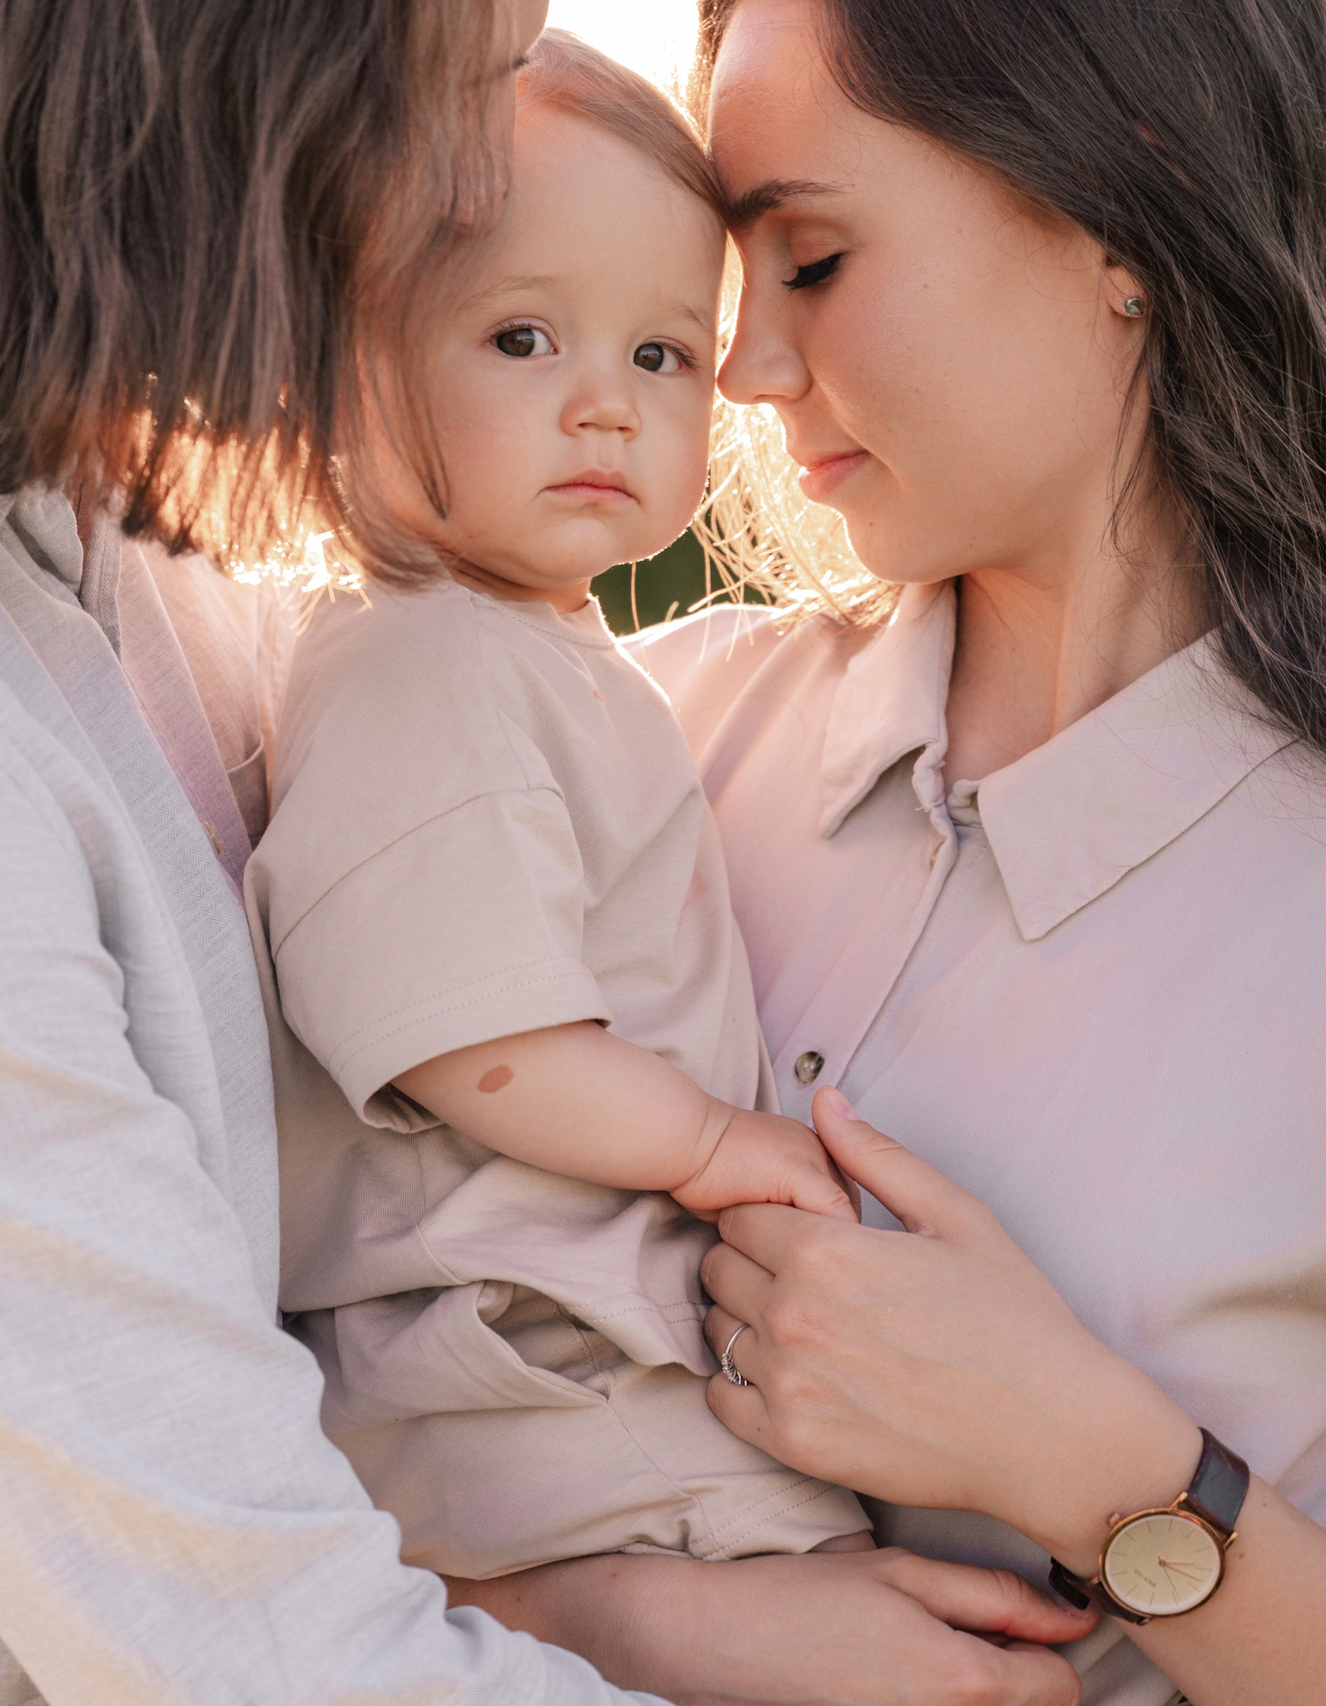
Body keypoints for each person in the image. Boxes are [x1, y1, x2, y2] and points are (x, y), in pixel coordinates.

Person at [0, 0, 1326, 1700]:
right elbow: (259, 1639)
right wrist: (654, 1621)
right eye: (460, 75)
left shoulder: (108, 514)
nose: (727, 367)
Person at [469, 1, 1326, 1702]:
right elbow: (272, 1377)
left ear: (1123, 216)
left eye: (814, 259)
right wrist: (623, 1614)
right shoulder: (629, 741)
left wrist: (1111, 1473)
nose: (746, 366)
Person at [251, 32, 872, 1586]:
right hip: (532, 1375)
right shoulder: (424, 666)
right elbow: (477, 1040)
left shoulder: (538, 650)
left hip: (585, 1354)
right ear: (335, 358)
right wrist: (710, 1140)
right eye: (524, 338)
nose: (606, 406)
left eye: (660, 355)